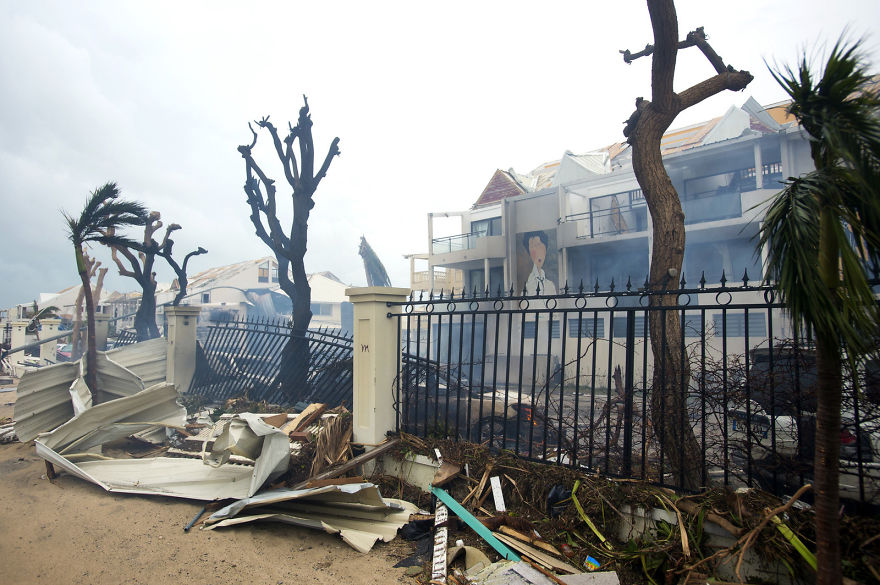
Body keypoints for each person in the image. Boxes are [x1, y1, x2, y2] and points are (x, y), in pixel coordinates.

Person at [522, 231, 556, 295]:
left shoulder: (550, 286)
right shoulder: (527, 287)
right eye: (531, 247)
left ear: (545, 249)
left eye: (538, 245)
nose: (535, 250)